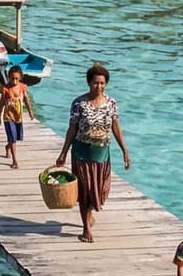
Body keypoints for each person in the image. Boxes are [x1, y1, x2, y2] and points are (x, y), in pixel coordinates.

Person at [52, 63, 129, 243]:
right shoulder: (79, 103)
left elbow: (116, 127)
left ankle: (89, 215)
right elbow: (72, 129)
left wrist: (125, 151)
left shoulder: (111, 103)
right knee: (85, 191)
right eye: (96, 83)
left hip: (101, 153)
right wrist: (63, 153)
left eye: (102, 83)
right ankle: (86, 228)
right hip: (81, 152)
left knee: (101, 191)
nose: (99, 87)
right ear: (89, 83)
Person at [0, 67, 32, 168]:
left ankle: (8, 147)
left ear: (20, 78)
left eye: (16, 78)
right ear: (9, 78)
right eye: (12, 78)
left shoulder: (22, 87)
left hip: (18, 116)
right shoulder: (6, 89)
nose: (14, 81)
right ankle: (15, 161)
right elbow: (2, 103)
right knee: (13, 138)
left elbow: (26, 99)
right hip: (8, 117)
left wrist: (30, 112)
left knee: (15, 137)